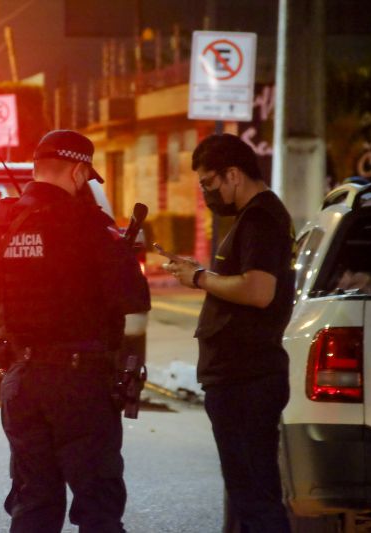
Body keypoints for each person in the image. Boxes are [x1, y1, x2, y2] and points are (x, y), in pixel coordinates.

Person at [0, 130, 150, 533]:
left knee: (34, 503)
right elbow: (133, 299)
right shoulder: (89, 224)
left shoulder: (0, 225)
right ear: (77, 171)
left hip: (20, 380)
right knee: (98, 508)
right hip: (80, 383)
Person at [163, 133, 295, 533]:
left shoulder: (259, 218)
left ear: (233, 174)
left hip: (246, 379)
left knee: (255, 499)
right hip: (242, 377)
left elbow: (258, 290)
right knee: (247, 497)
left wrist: (199, 277)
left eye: (208, 183)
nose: (206, 193)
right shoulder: (256, 217)